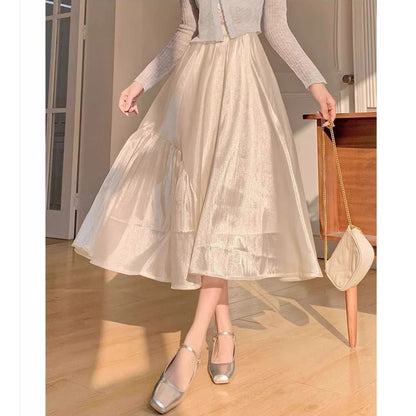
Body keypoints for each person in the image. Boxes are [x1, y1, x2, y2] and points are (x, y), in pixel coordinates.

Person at [72, 0, 336, 413]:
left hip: (246, 86)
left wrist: (316, 83)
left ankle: (192, 346)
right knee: (205, 208)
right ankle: (225, 330)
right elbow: (185, 32)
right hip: (197, 85)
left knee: (224, 207)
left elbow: (277, 29)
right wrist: (140, 83)